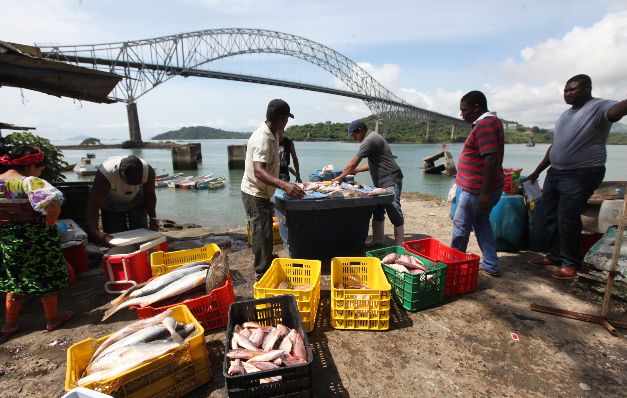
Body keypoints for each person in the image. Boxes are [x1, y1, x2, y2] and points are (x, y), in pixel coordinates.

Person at [527, 74, 627, 279]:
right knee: (550, 215)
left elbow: (618, 111)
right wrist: (538, 170)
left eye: (572, 89)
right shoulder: (564, 116)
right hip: (556, 172)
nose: (567, 93)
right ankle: (555, 255)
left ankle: (571, 262)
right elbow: (555, 147)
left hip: (582, 173)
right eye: (565, 90)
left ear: (587, 89)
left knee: (568, 217)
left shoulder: (600, 107)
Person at [0, 145, 73, 342]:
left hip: (9, 239)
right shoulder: (29, 182)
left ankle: (9, 324)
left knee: (15, 279)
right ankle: (52, 319)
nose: (40, 172)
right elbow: (53, 203)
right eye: (40, 168)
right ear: (31, 165)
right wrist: (49, 223)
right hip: (37, 238)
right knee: (46, 276)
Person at [241, 99, 305, 279]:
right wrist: (285, 184)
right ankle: (261, 273)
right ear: (281, 118)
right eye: (286, 119)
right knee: (261, 232)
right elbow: (259, 171)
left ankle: (266, 259)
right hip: (254, 192)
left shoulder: (274, 133)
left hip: (263, 191)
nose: (286, 122)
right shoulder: (263, 138)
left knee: (266, 229)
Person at [451, 91, 504, 277]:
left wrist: (484, 194)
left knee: (461, 227)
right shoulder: (491, 122)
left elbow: (490, 159)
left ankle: (454, 265)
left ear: (476, 107)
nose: (462, 114)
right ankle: (491, 264)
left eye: (464, 110)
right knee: (481, 223)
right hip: (480, 189)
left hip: (475, 190)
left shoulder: (484, 125)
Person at [333, 120, 404, 245]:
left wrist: (340, 177)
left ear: (360, 130)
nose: (354, 139)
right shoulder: (373, 137)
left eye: (354, 135)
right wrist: (358, 170)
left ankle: (400, 245)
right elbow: (376, 162)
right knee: (377, 209)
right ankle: (378, 239)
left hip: (390, 179)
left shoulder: (369, 140)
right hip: (381, 182)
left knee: (394, 210)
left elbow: (354, 161)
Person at [86, 155, 157, 245]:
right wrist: (95, 231)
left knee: (141, 236)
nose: (131, 186)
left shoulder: (148, 171)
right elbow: (94, 204)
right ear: (120, 171)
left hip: (137, 200)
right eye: (129, 182)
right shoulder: (106, 174)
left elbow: (150, 195)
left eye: (136, 182)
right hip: (111, 203)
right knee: (116, 239)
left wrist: (152, 218)